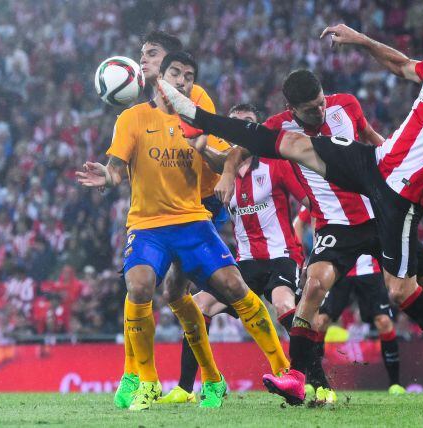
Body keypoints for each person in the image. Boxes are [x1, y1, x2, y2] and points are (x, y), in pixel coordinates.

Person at [159, 5, 423, 413]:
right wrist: (359, 39)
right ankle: (197, 114)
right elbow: (400, 64)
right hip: (373, 169)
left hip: (396, 200)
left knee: (415, 291)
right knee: (291, 149)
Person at [76, 52, 286, 410]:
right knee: (139, 285)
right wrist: (106, 178)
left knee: (234, 287)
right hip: (147, 226)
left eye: (189, 76)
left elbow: (227, 164)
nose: (182, 81)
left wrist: (205, 150)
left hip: (192, 220)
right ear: (162, 76)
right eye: (176, 73)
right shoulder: (132, 118)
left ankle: (285, 372)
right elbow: (115, 169)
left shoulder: (199, 120)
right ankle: (147, 382)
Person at [157, 104, 307, 404]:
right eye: (235, 124)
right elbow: (212, 159)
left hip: (281, 257)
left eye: (248, 124)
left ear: (258, 128)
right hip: (246, 264)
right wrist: (198, 146)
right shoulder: (223, 173)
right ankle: (187, 389)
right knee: (199, 307)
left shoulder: (276, 164)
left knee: (283, 304)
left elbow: (308, 201)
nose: (241, 130)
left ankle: (314, 381)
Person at [295, 206, 405, 397]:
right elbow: (298, 224)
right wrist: (304, 255)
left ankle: (395, 384)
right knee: (320, 322)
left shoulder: (367, 185)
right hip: (337, 266)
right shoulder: (322, 189)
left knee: (384, 322)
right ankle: (313, 380)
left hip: (370, 269)